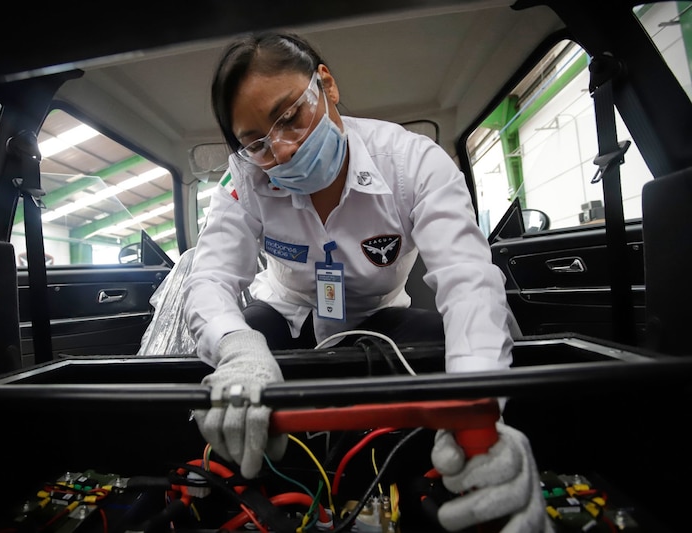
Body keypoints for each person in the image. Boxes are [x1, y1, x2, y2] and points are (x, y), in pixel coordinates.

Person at [181, 30, 552, 532]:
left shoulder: (413, 162)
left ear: (327, 86)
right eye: (258, 143)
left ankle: (417, 483)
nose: (284, 152)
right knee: (229, 374)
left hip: (380, 314)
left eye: (290, 117)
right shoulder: (245, 178)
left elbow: (469, 284)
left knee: (443, 352)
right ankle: (257, 496)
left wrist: (476, 410)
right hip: (286, 311)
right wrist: (238, 350)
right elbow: (210, 279)